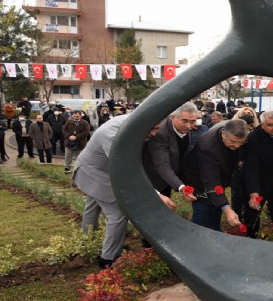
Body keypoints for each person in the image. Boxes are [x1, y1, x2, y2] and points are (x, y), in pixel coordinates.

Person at [75, 114, 177, 268]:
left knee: (92, 207)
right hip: (95, 173)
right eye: (154, 129)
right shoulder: (113, 135)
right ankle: (108, 259)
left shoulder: (132, 123)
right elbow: (126, 170)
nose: (155, 133)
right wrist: (157, 195)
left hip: (100, 170)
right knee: (118, 213)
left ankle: (87, 244)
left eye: (158, 128)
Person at [183, 119, 249, 231]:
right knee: (202, 212)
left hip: (219, 175)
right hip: (198, 180)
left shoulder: (236, 137)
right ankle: (194, 237)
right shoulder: (207, 147)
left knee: (216, 209)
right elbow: (211, 180)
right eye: (233, 142)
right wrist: (227, 209)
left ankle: (215, 232)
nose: (237, 146)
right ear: (224, 134)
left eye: (241, 142)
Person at [147, 102, 199, 200]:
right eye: (184, 121)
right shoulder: (160, 133)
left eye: (192, 122)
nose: (188, 126)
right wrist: (181, 187)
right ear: (172, 117)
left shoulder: (185, 130)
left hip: (168, 179)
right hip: (153, 180)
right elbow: (162, 166)